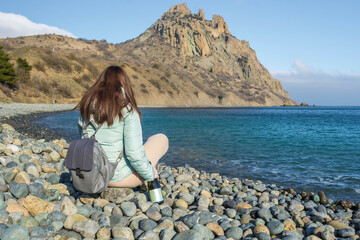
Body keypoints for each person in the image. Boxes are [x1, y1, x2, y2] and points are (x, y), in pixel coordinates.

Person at [74, 65, 169, 188]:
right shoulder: (126, 109)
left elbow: (83, 141)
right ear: (124, 84)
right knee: (161, 139)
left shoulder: (86, 105)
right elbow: (134, 154)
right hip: (116, 178)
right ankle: (151, 170)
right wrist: (151, 175)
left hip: (87, 175)